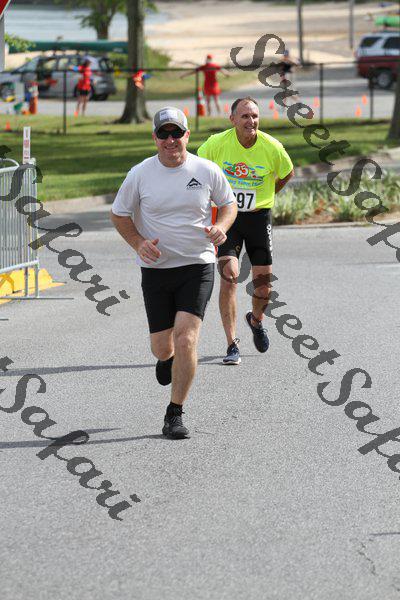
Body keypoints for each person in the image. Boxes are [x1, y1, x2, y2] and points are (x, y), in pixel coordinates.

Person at [110, 107, 237, 439]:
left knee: (186, 338)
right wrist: (138, 243)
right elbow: (119, 214)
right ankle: (166, 359)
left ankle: (174, 413)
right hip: (156, 270)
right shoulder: (140, 174)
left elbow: (228, 204)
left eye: (176, 133)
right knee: (162, 347)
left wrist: (222, 227)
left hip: (197, 265)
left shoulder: (205, 170)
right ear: (154, 138)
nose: (170, 140)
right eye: (163, 134)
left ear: (187, 135)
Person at [197, 97, 294, 365]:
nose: (251, 121)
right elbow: (197, 169)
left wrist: (268, 194)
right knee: (229, 275)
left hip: (258, 218)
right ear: (232, 119)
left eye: (254, 116)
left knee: (263, 286)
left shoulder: (272, 147)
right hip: (227, 218)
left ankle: (256, 320)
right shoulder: (216, 144)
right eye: (245, 116)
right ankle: (232, 344)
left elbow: (287, 172)